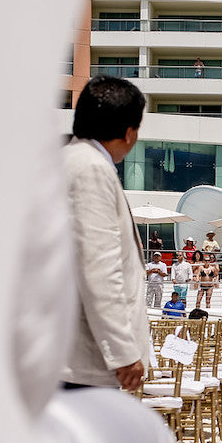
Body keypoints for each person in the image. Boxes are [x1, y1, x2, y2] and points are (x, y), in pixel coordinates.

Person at [59, 75, 149, 392]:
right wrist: (124, 353)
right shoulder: (91, 168)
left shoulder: (72, 160)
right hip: (83, 361)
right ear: (129, 132)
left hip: (71, 356)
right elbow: (99, 265)